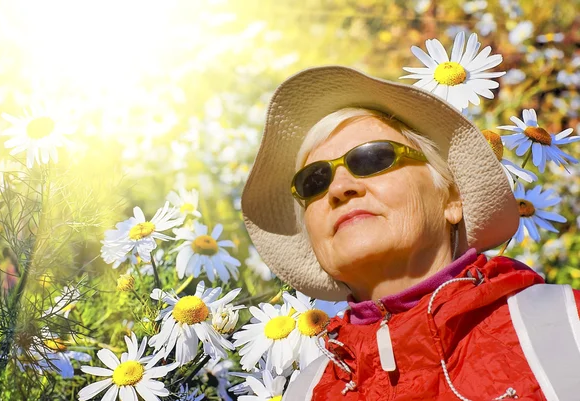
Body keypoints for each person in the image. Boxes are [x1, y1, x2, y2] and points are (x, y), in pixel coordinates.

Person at [241, 66, 580, 400]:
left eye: (374, 158)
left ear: (451, 199)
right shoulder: (305, 392)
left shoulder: (567, 327)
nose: (339, 188)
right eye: (313, 181)